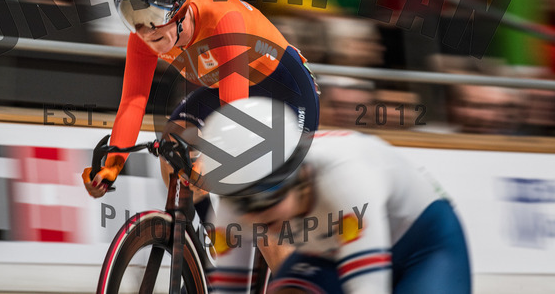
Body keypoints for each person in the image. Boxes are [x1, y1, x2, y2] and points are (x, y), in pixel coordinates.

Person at [81, 0, 320, 273]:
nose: (145, 30)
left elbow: (236, 114)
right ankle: (215, 245)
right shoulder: (143, 39)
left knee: (260, 210)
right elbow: (134, 100)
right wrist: (113, 164)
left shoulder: (224, 20)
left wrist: (213, 159)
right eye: (131, 14)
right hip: (232, 88)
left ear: (178, 6)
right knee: (172, 151)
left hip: (286, 92)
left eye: (151, 13)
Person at [191, 96, 471, 294]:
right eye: (242, 205)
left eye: (265, 200)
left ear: (298, 177)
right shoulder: (230, 207)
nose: (256, 218)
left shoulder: (346, 179)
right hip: (327, 251)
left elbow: (368, 288)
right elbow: (228, 289)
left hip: (424, 244)